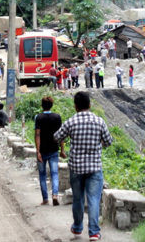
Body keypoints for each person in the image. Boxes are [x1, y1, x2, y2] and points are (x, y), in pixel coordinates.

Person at [54, 92, 113, 241]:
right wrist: (97, 144)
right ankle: (94, 232)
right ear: (89, 105)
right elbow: (108, 141)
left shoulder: (71, 121)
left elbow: (57, 137)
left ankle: (77, 227)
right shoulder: (99, 121)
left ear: (75, 106)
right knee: (93, 199)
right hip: (94, 168)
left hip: (76, 168)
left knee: (78, 198)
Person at [35, 96, 62, 206]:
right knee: (54, 173)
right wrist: (62, 150)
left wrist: (38, 151)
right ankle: (55, 194)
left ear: (42, 106)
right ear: (52, 105)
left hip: (42, 150)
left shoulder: (38, 117)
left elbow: (37, 134)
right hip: (54, 149)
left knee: (42, 175)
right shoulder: (57, 117)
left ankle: (45, 198)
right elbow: (61, 135)